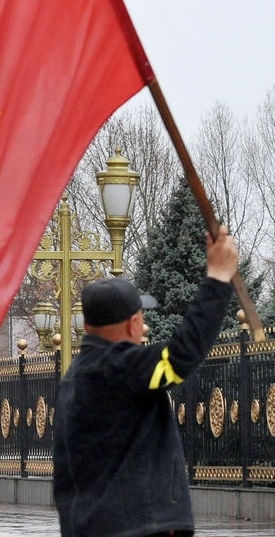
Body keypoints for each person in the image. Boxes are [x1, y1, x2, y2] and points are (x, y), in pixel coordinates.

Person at [52, 225, 239, 537]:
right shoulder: (117, 368)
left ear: (86, 325)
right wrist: (218, 278)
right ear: (133, 324)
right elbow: (180, 356)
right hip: (135, 529)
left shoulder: (76, 378)